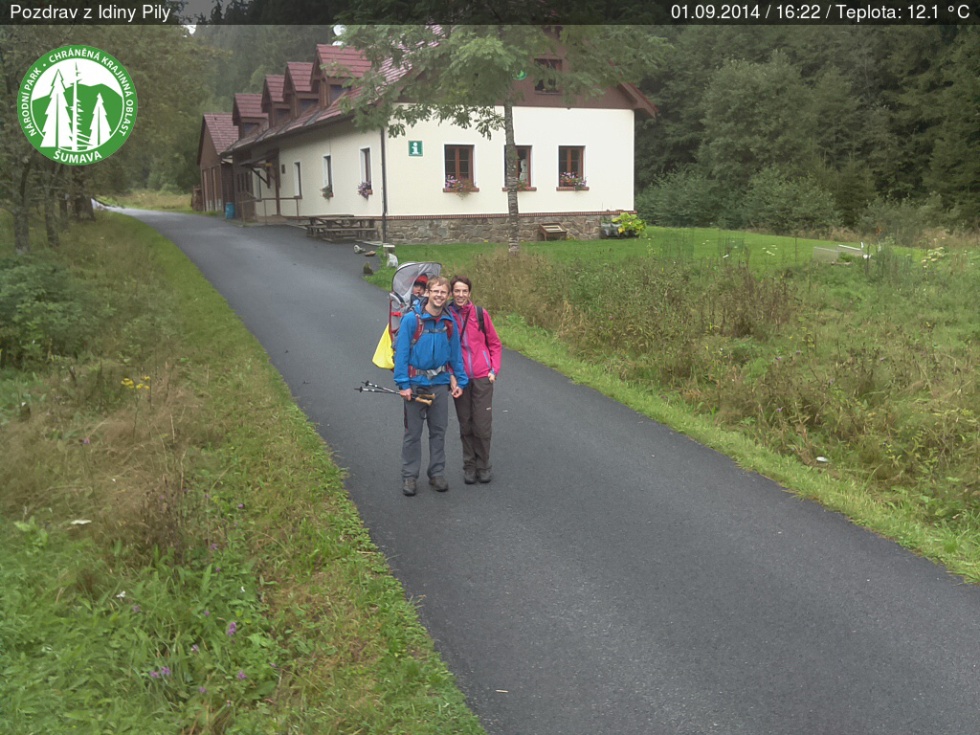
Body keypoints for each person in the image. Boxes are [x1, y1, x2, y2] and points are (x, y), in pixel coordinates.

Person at [393, 275, 467, 496]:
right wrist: (403, 384)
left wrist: (460, 381)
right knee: (413, 434)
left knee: (438, 431)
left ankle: (436, 473)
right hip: (415, 385)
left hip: (440, 385)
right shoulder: (411, 320)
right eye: (435, 291)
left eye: (443, 292)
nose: (439, 295)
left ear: (447, 296)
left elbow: (455, 355)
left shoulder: (448, 322)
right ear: (427, 293)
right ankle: (409, 477)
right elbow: (402, 354)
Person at [448, 275, 502, 484]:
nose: (460, 295)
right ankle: (469, 466)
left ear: (470, 293)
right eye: (457, 291)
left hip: (482, 377)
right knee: (466, 424)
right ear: (451, 293)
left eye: (464, 291)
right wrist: (451, 375)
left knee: (481, 424)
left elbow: (495, 344)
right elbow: (445, 349)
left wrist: (493, 370)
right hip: (460, 379)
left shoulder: (480, 314)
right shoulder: (447, 316)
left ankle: (484, 464)